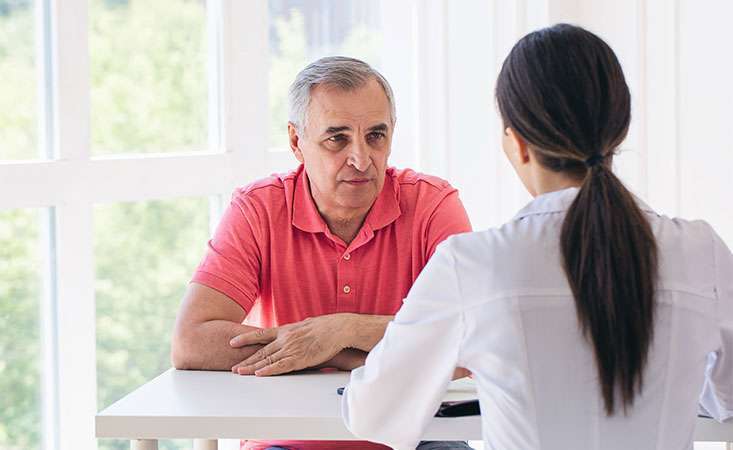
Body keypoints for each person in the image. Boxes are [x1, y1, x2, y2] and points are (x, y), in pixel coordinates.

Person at [342, 24, 733, 450]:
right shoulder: (701, 251)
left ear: (518, 144)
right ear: (617, 131)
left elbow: (371, 413)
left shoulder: (473, 264)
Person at [171, 56, 473, 450]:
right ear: (297, 141)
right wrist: (333, 351)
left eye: (376, 136)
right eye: (338, 138)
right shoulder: (257, 208)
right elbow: (192, 341)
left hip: (414, 440)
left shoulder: (433, 205)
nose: (361, 159)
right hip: (285, 443)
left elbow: (473, 338)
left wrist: (344, 331)